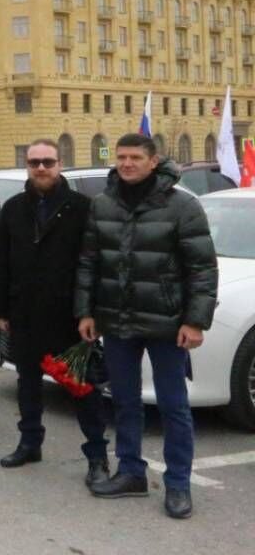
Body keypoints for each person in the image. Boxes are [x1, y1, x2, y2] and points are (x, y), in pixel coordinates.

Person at [75, 134, 217, 519]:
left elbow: (202, 269)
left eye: (135, 156)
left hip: (167, 322)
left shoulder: (182, 205)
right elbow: (89, 263)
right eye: (121, 157)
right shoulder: (103, 203)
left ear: (153, 161)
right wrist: (85, 312)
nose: (127, 163)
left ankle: (177, 485)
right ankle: (132, 473)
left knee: (173, 406)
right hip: (117, 320)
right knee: (124, 401)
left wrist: (195, 320)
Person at [0, 139, 109, 483]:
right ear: (27, 165)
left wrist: (92, 313)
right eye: (34, 162)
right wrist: (0, 308)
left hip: (69, 316)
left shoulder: (82, 207)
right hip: (24, 313)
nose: (40, 168)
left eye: (47, 162)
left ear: (60, 164)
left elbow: (95, 263)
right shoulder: (13, 208)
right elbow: (0, 261)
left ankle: (97, 457)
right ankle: (30, 443)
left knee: (82, 388)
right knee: (27, 383)